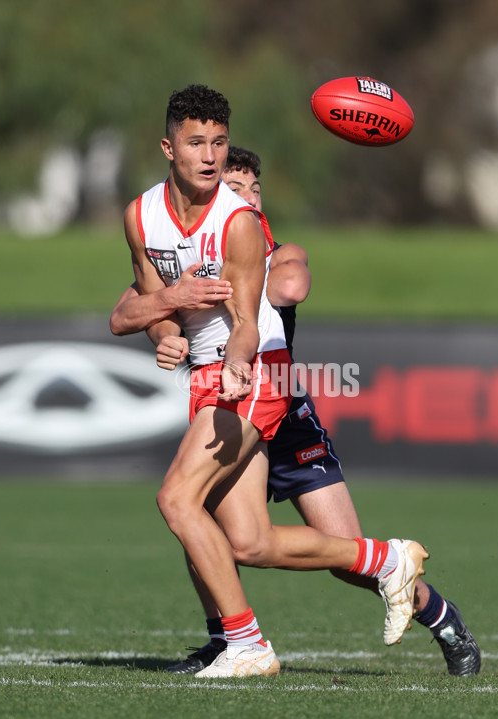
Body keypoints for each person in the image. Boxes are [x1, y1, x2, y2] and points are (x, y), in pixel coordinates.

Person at [116, 83, 468, 679]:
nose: (209, 156)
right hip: (209, 380)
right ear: (167, 148)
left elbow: (253, 325)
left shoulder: (243, 228)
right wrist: (166, 331)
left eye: (219, 144)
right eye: (196, 143)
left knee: (177, 499)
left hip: (255, 375)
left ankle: (245, 643)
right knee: (249, 542)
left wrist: (236, 359)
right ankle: (386, 561)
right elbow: (138, 310)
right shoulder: (141, 216)